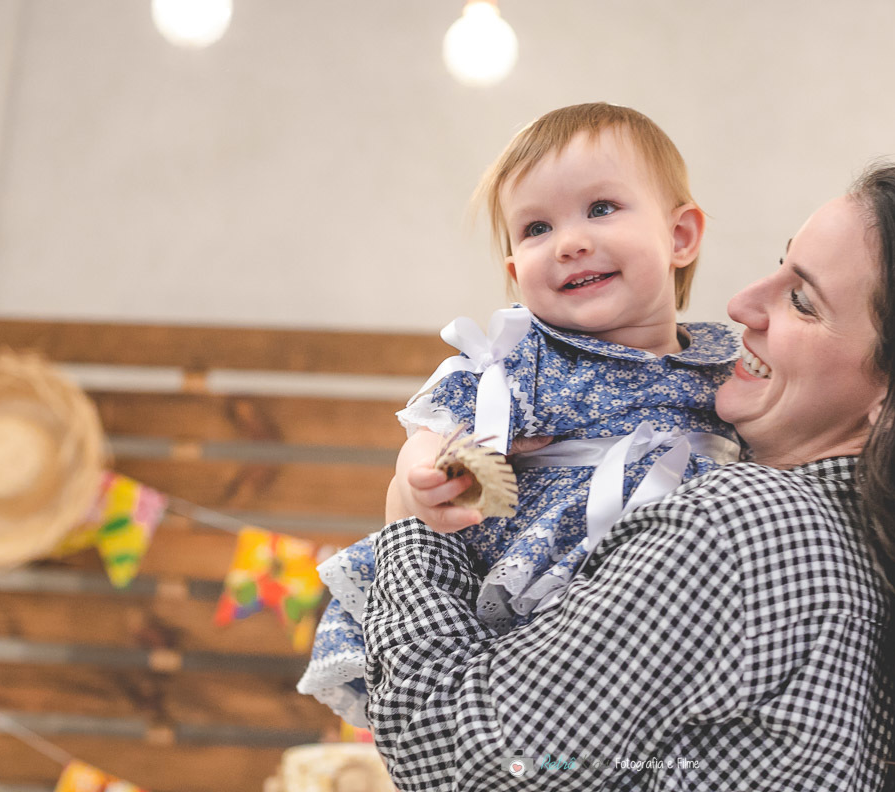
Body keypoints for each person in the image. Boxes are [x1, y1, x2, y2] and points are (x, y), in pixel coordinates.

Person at [360, 163, 895, 791]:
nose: (745, 301)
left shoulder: (743, 525)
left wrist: (411, 532)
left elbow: (461, 756)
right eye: (778, 267)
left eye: (805, 302)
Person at [297, 103, 740, 726]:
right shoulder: (525, 356)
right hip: (524, 602)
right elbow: (439, 423)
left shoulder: (725, 370)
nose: (570, 242)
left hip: (664, 605)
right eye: (535, 229)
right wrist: (424, 474)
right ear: (514, 273)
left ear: (680, 236)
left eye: (601, 208)